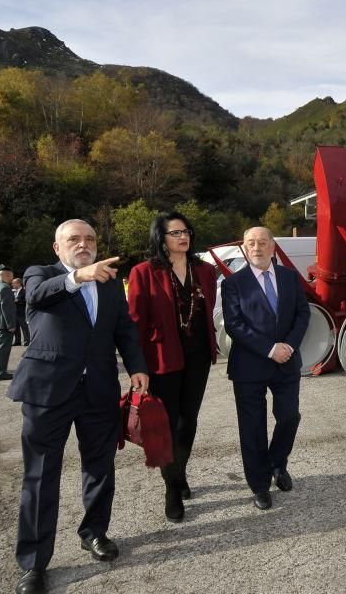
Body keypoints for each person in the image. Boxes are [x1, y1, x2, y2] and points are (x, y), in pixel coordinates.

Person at [6, 219, 148, 594]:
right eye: (74, 239)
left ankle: (94, 532)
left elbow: (124, 330)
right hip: (47, 392)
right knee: (40, 476)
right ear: (58, 247)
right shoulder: (40, 274)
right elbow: (37, 296)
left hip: (98, 390)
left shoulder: (111, 281)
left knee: (100, 467)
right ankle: (34, 563)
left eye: (90, 239)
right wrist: (79, 276)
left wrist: (137, 368)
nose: (83, 244)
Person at [127, 212, 218, 522]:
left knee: (188, 420)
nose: (184, 236)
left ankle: (178, 473)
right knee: (168, 423)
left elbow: (208, 311)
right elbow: (135, 322)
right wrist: (136, 366)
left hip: (198, 357)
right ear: (161, 238)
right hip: (161, 358)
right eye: (176, 232)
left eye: (187, 231)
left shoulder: (205, 270)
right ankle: (172, 486)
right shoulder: (143, 272)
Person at [223, 226, 310, 511]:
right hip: (249, 365)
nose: (256, 247)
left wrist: (289, 346)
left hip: (286, 362)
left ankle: (277, 464)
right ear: (245, 249)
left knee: (289, 417)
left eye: (262, 242)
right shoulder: (233, 283)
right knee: (252, 428)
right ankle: (259, 485)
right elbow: (235, 325)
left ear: (273, 247)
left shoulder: (289, 277)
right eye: (251, 243)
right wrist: (270, 349)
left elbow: (302, 313)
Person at [12, 278, 30, 346]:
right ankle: (17, 341)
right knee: (16, 328)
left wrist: (18, 301)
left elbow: (27, 301)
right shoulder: (13, 292)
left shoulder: (24, 291)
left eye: (14, 283)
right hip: (14, 313)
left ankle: (27, 341)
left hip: (22, 313)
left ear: (18, 283)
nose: (12, 284)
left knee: (24, 328)